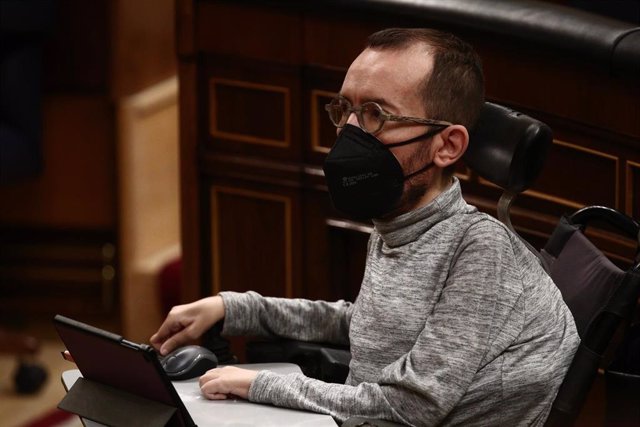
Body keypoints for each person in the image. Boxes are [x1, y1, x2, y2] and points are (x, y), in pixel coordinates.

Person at [151, 28, 579, 426]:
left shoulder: (482, 251)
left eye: (375, 114)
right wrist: (236, 308)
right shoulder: (399, 222)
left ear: (447, 145)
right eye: (345, 110)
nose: (350, 133)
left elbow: (410, 406)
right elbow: (373, 324)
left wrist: (262, 386)